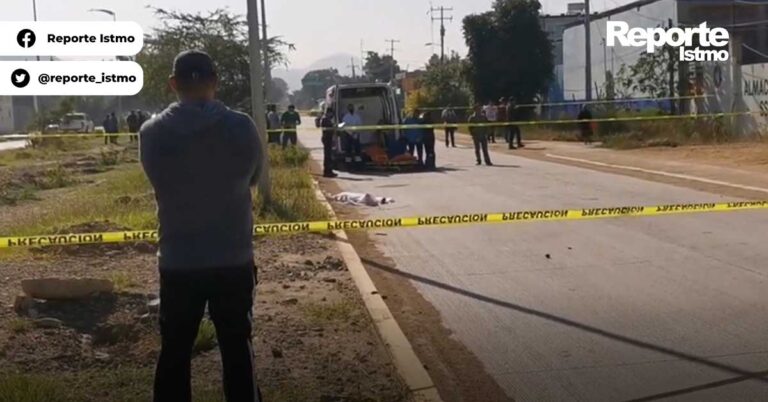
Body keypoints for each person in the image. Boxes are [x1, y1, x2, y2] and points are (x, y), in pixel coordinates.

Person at [139, 49, 263, 402]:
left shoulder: (152, 132)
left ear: (173, 84)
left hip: (179, 261)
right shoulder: (241, 127)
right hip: (233, 258)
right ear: (215, 81)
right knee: (238, 349)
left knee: (175, 352)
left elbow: (159, 182)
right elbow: (252, 179)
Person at [320, 108, 338, 178]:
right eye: (331, 113)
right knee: (327, 156)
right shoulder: (325, 119)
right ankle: (327, 172)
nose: (332, 115)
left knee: (329, 156)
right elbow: (328, 128)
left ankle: (329, 171)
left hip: (328, 138)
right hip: (327, 138)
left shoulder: (327, 119)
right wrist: (334, 127)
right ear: (328, 113)